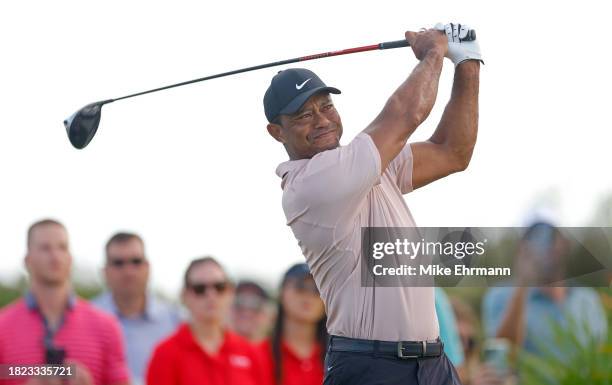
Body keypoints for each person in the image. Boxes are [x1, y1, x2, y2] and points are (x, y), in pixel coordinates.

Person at [264, 22, 482, 385]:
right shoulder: (311, 184)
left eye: (326, 105)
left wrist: (468, 61)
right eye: (303, 115)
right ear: (277, 131)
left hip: (432, 363)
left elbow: (453, 152)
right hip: (371, 367)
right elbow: (405, 115)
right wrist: (434, 53)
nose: (322, 120)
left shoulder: (363, 164)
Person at [0, 219, 130, 385]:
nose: (55, 256)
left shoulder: (106, 327)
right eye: (45, 248)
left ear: (70, 257)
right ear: (27, 260)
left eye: (62, 247)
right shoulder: (2, 327)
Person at [482, 222, 608, 358]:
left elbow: (601, 353)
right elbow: (501, 353)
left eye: (551, 237)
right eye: (534, 238)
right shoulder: (500, 296)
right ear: (522, 249)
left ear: (565, 244)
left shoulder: (588, 299)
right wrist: (523, 284)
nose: (545, 246)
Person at [146, 256, 266, 385]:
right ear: (185, 295)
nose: (211, 295)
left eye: (219, 287)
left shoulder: (250, 353)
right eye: (200, 289)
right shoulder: (165, 354)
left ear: (230, 292)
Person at [92, 232, 181, 385]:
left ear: (148, 267)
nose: (129, 271)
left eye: (136, 261)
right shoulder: (83, 318)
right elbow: (43, 368)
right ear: (104, 272)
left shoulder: (177, 321)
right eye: (118, 263)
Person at [259, 263, 327, 385]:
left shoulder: (337, 359)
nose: (308, 296)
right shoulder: (257, 354)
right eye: (300, 286)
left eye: (317, 289)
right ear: (281, 292)